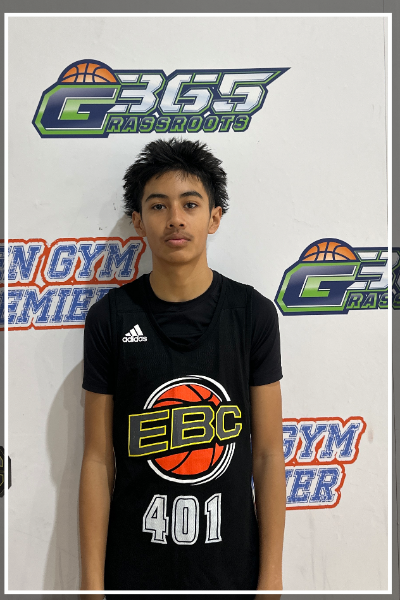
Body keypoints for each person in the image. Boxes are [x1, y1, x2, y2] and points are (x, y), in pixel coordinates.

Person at [79, 138, 286, 597]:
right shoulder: (110, 318)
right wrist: (91, 585)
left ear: (214, 217)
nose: (175, 218)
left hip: (231, 573)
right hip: (135, 573)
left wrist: (271, 578)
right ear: (138, 221)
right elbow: (96, 459)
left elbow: (269, 454)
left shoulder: (252, 314)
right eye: (158, 206)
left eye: (190, 204)